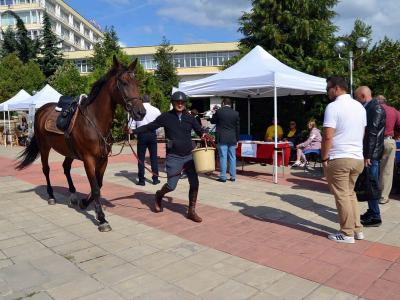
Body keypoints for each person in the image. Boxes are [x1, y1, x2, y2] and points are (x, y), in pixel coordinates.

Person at [132, 91, 206, 222]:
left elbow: (199, 130)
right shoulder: (166, 117)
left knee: (194, 183)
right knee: (171, 186)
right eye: (177, 102)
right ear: (173, 103)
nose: (180, 104)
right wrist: (134, 130)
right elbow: (150, 127)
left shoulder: (189, 117)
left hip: (189, 156)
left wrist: (204, 135)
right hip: (174, 156)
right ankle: (159, 195)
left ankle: (191, 211)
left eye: (182, 102)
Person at [322, 76, 367, 243]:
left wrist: (324, 157)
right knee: (349, 193)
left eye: (328, 89)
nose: (327, 92)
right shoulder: (360, 107)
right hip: (357, 157)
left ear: (336, 88)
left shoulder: (333, 107)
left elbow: (327, 136)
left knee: (341, 195)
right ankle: (357, 229)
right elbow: (362, 133)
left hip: (340, 157)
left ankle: (347, 233)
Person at [355, 86, 386, 227]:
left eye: (357, 98)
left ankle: (375, 216)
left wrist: (367, 154)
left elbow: (372, 133)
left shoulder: (375, 108)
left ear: (362, 95)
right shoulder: (371, 107)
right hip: (370, 152)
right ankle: (372, 211)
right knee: (369, 183)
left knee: (371, 184)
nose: (357, 101)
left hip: (371, 154)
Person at [129, 95, 161, 186]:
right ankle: (155, 179)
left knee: (141, 159)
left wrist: (135, 134)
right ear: (150, 100)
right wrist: (156, 133)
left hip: (141, 134)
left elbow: (132, 124)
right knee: (153, 158)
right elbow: (159, 124)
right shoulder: (156, 110)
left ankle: (141, 180)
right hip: (152, 134)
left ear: (142, 100)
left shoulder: (137, 109)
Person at [376, 95, 400, 204]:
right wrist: (395, 135)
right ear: (386, 101)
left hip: (374, 142)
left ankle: (372, 193)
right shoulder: (393, 111)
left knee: (373, 167)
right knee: (387, 170)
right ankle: (383, 196)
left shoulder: (372, 110)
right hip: (388, 140)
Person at [210, 97, 240, 182]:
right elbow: (238, 128)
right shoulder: (236, 113)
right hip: (232, 138)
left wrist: (213, 113)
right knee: (232, 157)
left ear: (223, 103)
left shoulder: (219, 112)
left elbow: (212, 121)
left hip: (222, 137)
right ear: (230, 104)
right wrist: (237, 139)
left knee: (223, 157)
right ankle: (233, 177)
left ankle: (223, 177)